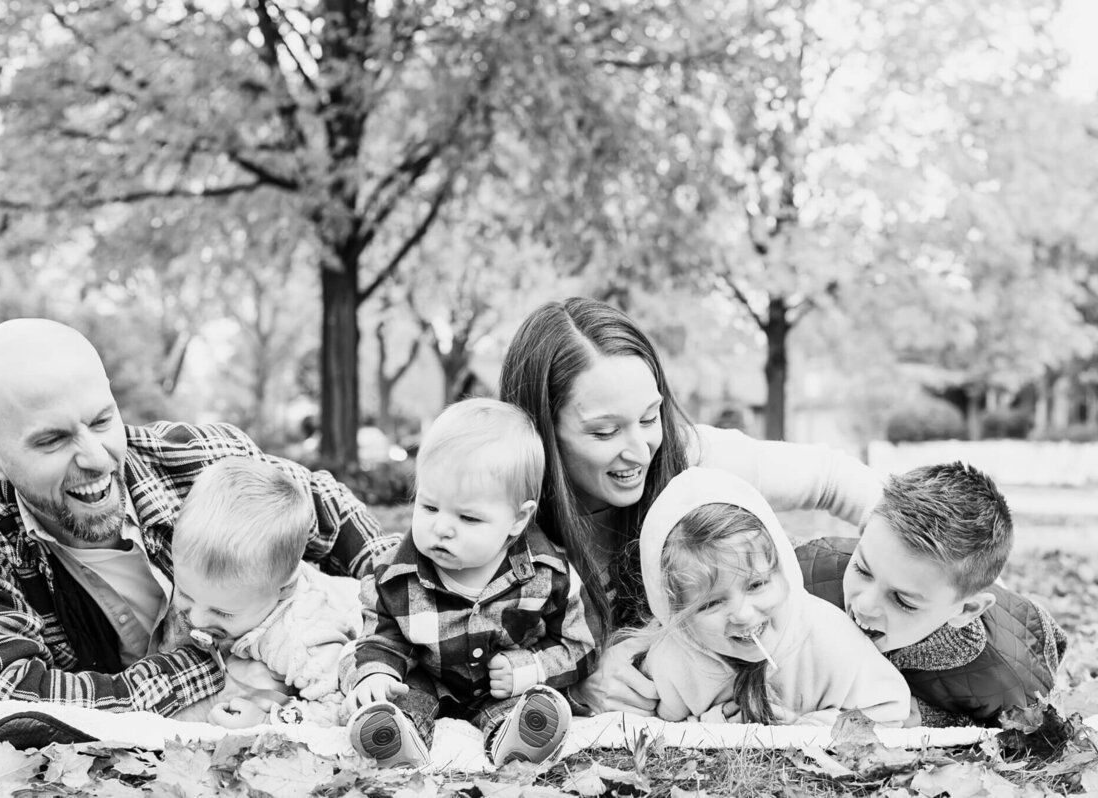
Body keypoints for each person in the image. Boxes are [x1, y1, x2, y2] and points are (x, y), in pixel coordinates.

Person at [0, 318, 390, 715]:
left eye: (101, 421)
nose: (95, 457)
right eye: (52, 440)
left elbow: (328, 506)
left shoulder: (203, 460)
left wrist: (394, 623)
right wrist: (211, 676)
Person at [498, 297, 883, 715]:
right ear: (542, 429)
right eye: (606, 432)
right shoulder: (496, 514)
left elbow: (832, 478)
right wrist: (577, 680)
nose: (640, 451)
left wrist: (895, 572)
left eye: (649, 419)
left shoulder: (695, 458)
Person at [342, 398, 595, 768]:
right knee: (401, 695)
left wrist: (530, 668)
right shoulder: (394, 575)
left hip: (502, 685)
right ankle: (395, 738)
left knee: (522, 703)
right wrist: (377, 673)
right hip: (427, 680)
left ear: (517, 519)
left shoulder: (547, 574)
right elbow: (380, 638)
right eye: (429, 507)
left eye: (468, 518)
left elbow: (579, 644)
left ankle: (518, 735)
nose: (442, 528)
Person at [796, 462, 1068, 727]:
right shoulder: (808, 574)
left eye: (902, 601)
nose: (863, 604)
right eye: (863, 570)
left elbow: (1037, 724)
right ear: (865, 529)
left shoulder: (1008, 680)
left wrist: (927, 716)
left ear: (966, 610)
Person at [639, 468, 910, 725]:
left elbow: (891, 709)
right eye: (711, 603)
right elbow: (659, 727)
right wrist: (716, 723)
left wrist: (811, 728)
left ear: (785, 571)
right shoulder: (673, 662)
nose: (743, 614)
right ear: (677, 613)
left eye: (756, 585)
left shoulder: (829, 638)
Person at [164, 457, 362, 728]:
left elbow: (340, 706)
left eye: (222, 612)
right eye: (186, 595)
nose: (196, 619)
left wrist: (270, 720)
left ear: (283, 589)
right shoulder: (224, 594)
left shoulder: (303, 636)